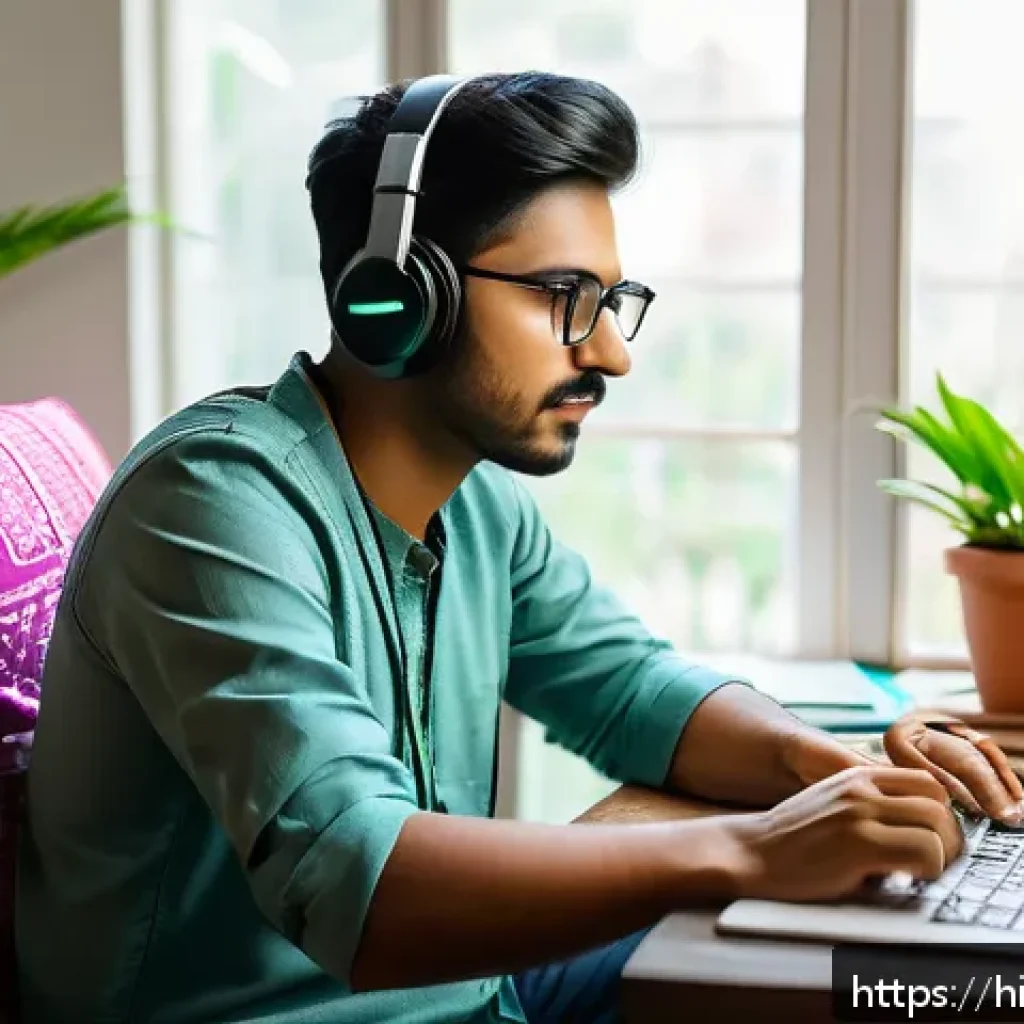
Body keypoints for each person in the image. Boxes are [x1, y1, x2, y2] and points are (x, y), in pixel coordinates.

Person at [16, 72, 1024, 1024]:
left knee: (940, 986)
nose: (611, 352)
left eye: (613, 303)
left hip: (474, 994)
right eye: (564, 296)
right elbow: (358, 883)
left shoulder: (476, 503)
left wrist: (838, 774)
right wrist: (754, 851)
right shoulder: (210, 502)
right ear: (402, 295)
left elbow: (632, 691)